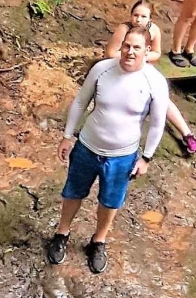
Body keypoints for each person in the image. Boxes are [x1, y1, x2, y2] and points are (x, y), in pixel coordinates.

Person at [46, 27, 167, 275]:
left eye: (136, 48)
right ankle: (62, 233)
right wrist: (67, 136)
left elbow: (157, 123)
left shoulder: (154, 82)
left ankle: (98, 241)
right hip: (88, 146)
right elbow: (80, 101)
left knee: (110, 201)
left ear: (146, 51)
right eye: (126, 46)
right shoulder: (103, 69)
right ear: (121, 46)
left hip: (122, 156)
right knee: (73, 192)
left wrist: (146, 158)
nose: (130, 52)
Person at [109, 0, 196, 154]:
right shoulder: (124, 29)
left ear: (150, 18)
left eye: (143, 16)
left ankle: (187, 134)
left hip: (143, 68)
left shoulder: (154, 30)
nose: (138, 19)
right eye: (136, 15)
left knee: (162, 99)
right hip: (122, 68)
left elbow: (156, 53)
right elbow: (111, 53)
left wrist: (142, 58)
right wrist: (132, 56)